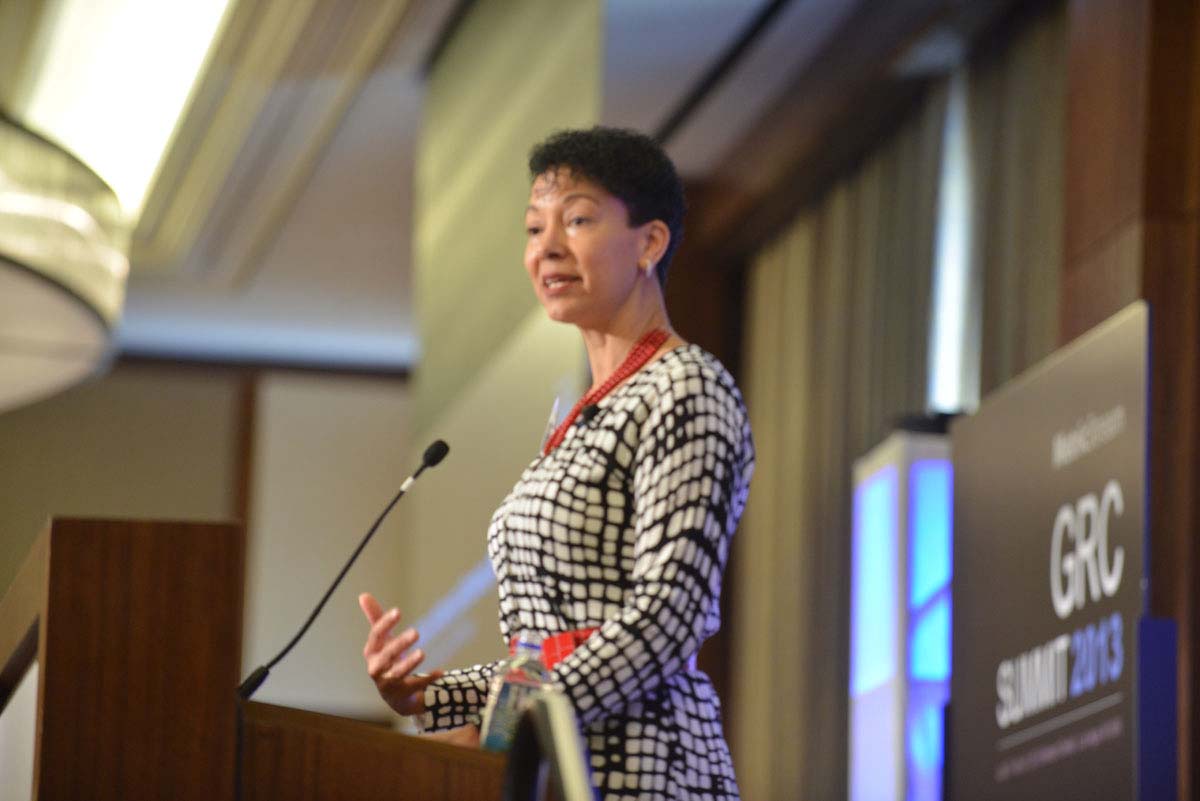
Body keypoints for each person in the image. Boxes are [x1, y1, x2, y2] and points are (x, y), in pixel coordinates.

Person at [360, 126, 754, 800]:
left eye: (577, 220)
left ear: (650, 242)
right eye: (534, 228)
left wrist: (509, 725)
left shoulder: (686, 386)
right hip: (557, 765)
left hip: (647, 767)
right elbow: (550, 653)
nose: (546, 247)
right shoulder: (581, 412)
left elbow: (669, 617)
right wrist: (429, 696)